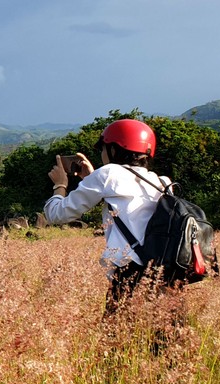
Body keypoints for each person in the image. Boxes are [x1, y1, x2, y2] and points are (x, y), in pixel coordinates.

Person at [43, 119, 172, 312]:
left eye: (103, 149)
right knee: (162, 340)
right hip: (166, 276)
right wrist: (90, 177)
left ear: (113, 149)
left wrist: (60, 184)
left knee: (119, 340)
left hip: (130, 274)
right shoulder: (161, 182)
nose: (102, 154)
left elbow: (56, 214)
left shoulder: (108, 173)